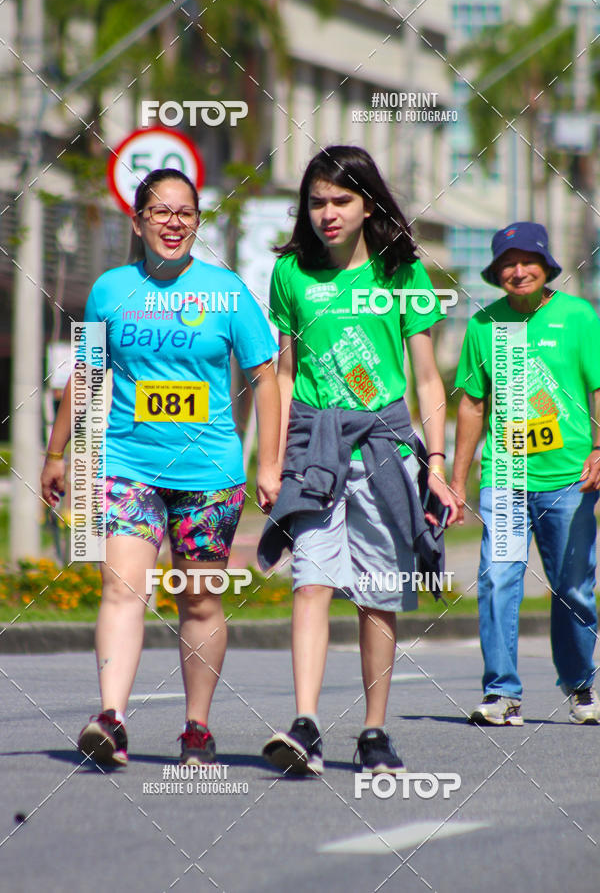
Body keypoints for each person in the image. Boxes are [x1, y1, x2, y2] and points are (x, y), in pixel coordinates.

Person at [41, 168, 280, 766]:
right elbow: (88, 373)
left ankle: (196, 727)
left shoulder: (227, 292)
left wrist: (268, 462)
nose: (173, 222)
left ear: (198, 222)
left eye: (185, 213)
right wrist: (57, 452)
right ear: (139, 221)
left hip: (210, 472)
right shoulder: (110, 288)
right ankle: (111, 719)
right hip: (125, 462)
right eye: (161, 211)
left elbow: (266, 380)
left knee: (198, 600)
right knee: (122, 589)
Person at [258, 145, 458, 776]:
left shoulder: (404, 271)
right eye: (316, 202)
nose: (327, 213)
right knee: (310, 581)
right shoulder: (291, 274)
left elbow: (427, 379)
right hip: (314, 444)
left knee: (378, 593)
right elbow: (283, 375)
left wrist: (438, 463)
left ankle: (374, 732)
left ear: (367, 203)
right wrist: (268, 462)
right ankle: (305, 725)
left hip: (387, 443)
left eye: (341, 200)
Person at [452, 221, 600, 726]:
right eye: (507, 263)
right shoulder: (483, 325)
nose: (518, 270)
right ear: (496, 272)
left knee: (574, 586)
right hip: (507, 473)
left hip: (570, 478)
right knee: (497, 579)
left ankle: (581, 685)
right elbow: (472, 406)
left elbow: (598, 388)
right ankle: (502, 693)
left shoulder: (578, 317)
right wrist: (458, 478)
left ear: (547, 265)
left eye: (527, 260)